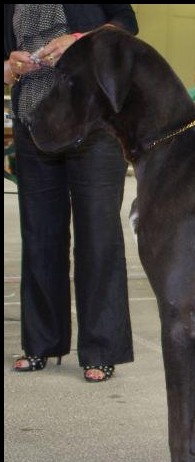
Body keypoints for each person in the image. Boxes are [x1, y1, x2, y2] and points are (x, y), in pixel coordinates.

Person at [3, 5, 136, 382]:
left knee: (98, 237)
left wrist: (78, 41)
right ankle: (41, 343)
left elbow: (126, 26)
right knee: (40, 237)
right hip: (33, 122)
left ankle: (101, 349)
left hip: (95, 123)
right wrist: (12, 67)